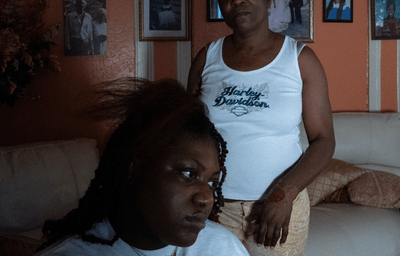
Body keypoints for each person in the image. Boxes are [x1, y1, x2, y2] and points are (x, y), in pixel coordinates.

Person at [187, 0, 335, 256]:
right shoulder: (206, 58)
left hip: (279, 209)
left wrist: (284, 194)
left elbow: (324, 140)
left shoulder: (300, 59)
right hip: (215, 209)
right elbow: (187, 135)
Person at [35, 78, 249, 256]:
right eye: (188, 173)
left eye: (212, 182)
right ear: (134, 167)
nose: (206, 198)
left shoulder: (222, 248)